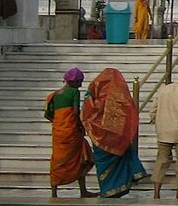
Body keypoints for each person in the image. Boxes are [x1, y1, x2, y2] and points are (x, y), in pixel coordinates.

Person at [81, 67, 148, 198]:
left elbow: (86, 113)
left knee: (103, 163)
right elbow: (128, 112)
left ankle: (107, 189)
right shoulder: (119, 96)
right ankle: (120, 186)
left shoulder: (92, 96)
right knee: (120, 156)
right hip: (116, 136)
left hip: (98, 137)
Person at [44, 67, 96, 198]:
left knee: (57, 159)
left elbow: (48, 114)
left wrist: (59, 123)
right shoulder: (74, 92)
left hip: (59, 131)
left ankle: (54, 191)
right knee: (81, 158)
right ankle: (83, 190)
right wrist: (80, 126)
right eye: (79, 81)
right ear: (73, 82)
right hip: (72, 131)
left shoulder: (55, 94)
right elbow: (75, 112)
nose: (81, 84)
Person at [149, 69, 178, 200]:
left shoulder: (164, 89)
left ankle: (156, 193)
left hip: (163, 131)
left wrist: (156, 122)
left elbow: (153, 110)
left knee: (161, 161)